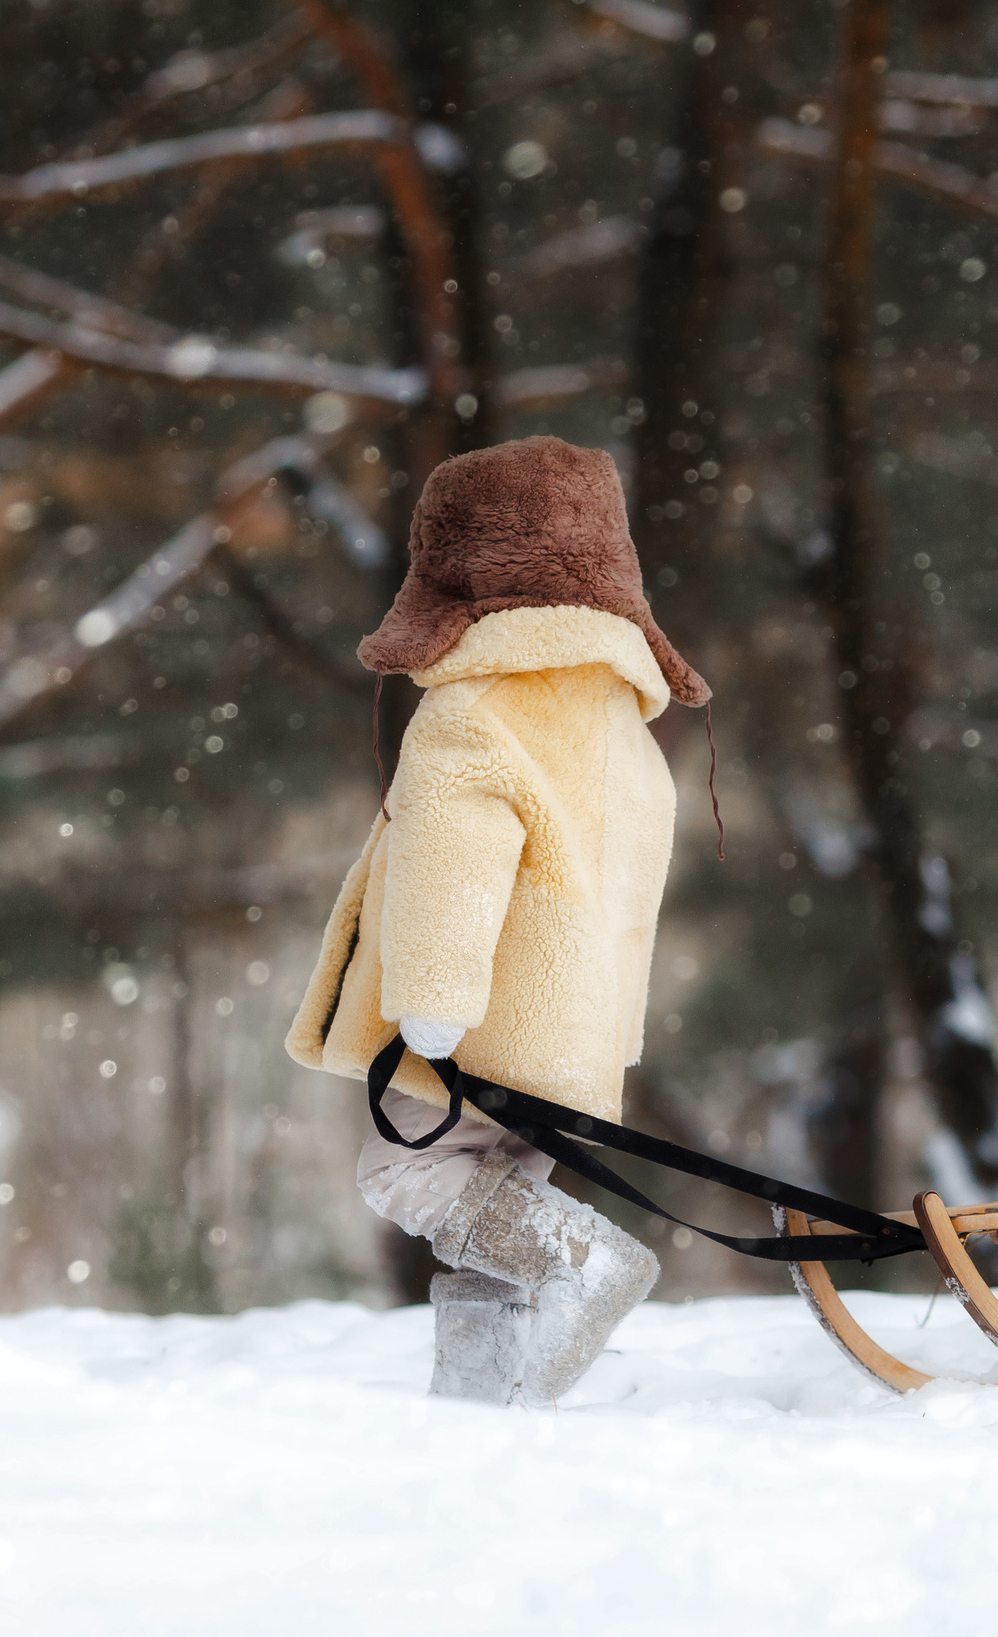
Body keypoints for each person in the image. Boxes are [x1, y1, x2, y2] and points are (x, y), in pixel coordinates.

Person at [285, 434, 710, 1404]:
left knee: (407, 1177)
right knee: (496, 1219)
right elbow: (625, 897)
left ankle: (589, 1266)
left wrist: (432, 1001)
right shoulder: (622, 730)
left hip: (472, 1031)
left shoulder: (474, 714)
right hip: (573, 1047)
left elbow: (452, 866)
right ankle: (486, 1404)